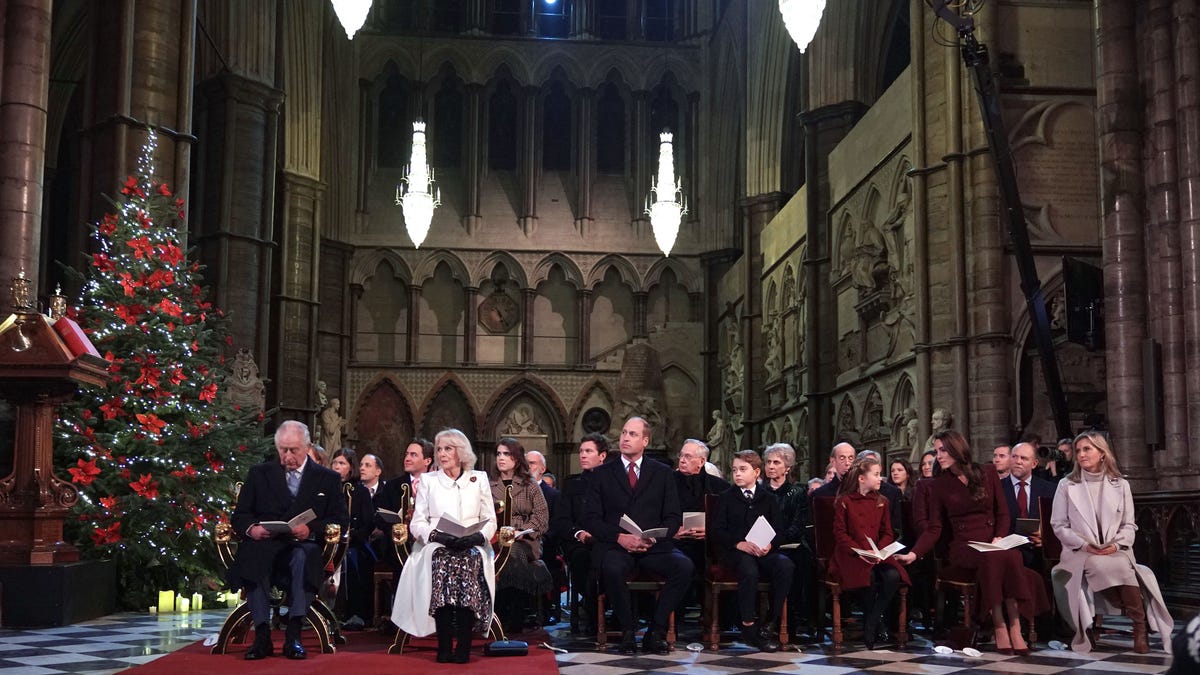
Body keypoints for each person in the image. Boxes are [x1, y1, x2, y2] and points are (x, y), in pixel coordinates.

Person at [894, 430, 1047, 655]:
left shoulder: (986, 472)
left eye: (943, 450)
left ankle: (1015, 625)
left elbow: (1003, 513)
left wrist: (1000, 537)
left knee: (1010, 554)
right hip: (964, 546)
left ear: (957, 448)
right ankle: (1000, 625)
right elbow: (934, 528)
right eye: (937, 451)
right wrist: (914, 554)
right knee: (998, 557)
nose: (939, 456)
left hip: (993, 542)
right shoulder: (939, 485)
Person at [227, 421, 349, 661]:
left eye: (293, 450)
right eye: (283, 450)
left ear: (307, 447)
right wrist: (252, 529)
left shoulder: (327, 478)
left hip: (303, 544)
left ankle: (294, 634)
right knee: (253, 555)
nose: (287, 455)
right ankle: (262, 635)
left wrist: (311, 528)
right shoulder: (259, 473)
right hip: (265, 542)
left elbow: (340, 520)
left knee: (303, 558)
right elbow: (240, 515)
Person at [1049, 431, 1173, 654]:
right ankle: (1138, 622)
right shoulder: (1066, 485)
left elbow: (1129, 525)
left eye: (1087, 449)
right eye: (1078, 450)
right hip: (1080, 552)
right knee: (1101, 564)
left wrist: (1115, 546)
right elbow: (1058, 525)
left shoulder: (1120, 484)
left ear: (1102, 453)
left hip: (1116, 549)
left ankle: (1139, 628)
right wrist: (1085, 545)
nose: (1081, 454)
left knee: (1122, 564)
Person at [582, 417, 693, 655]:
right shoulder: (601, 474)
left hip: (653, 546)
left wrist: (654, 537)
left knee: (684, 567)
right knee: (611, 568)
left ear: (645, 440)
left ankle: (655, 630)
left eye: (632, 434)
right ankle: (628, 632)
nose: (625, 438)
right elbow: (591, 518)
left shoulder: (663, 473)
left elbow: (673, 516)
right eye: (623, 433)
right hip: (616, 546)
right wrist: (620, 538)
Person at [391, 429, 497, 664]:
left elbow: (490, 520)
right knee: (443, 562)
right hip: (437, 544)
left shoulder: (478, 479)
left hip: (472, 544)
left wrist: (477, 537)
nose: (442, 453)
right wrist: (436, 535)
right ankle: (445, 644)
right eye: (439, 449)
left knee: (468, 561)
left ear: (461, 452)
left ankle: (464, 647)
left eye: (448, 448)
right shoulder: (428, 481)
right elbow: (418, 522)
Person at [709, 450, 794, 652]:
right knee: (748, 569)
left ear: (756, 472)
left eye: (742, 469)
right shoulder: (726, 497)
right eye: (734, 470)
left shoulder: (768, 498)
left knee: (785, 564)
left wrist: (770, 545)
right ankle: (748, 624)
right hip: (736, 552)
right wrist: (739, 543)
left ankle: (770, 622)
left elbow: (780, 531)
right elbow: (716, 530)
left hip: (763, 551)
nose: (737, 474)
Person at [830, 455, 910, 649]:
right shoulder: (845, 501)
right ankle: (872, 624)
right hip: (852, 554)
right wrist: (861, 551)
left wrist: (879, 549)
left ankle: (873, 619)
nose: (880, 479)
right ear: (861, 478)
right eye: (876, 474)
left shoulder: (882, 501)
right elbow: (840, 534)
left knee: (892, 575)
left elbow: (887, 532)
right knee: (869, 578)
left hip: (876, 553)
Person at [489, 437, 552, 633]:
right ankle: (492, 614)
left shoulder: (530, 485)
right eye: (499, 454)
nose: (501, 458)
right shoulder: (488, 484)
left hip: (525, 539)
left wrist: (519, 530)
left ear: (516, 458)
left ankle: (513, 615)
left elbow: (542, 519)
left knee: (513, 553)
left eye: (506, 454)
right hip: (493, 538)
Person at [553, 432, 608, 636]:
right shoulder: (572, 484)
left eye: (588, 451)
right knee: (583, 559)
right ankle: (593, 614)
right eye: (581, 451)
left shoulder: (613, 483)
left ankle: (611, 610)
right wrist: (579, 533)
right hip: (579, 542)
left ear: (602, 455)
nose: (583, 455)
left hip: (606, 540)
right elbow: (561, 521)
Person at [330, 448, 375, 631]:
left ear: (350, 468)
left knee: (353, 561)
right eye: (335, 462)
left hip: (354, 543)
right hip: (329, 541)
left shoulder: (360, 491)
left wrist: (351, 537)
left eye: (342, 463)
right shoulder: (327, 488)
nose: (337, 467)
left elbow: (368, 523)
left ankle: (355, 613)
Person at [673, 439, 729, 573]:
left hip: (707, 544)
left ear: (702, 461)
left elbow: (729, 520)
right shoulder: (666, 481)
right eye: (681, 455)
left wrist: (709, 531)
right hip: (675, 542)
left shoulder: (720, 487)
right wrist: (673, 530)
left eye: (688, 456)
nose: (682, 460)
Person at [1003, 442, 1055, 569]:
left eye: (1024, 458)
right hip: (1007, 552)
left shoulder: (1049, 489)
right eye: (1014, 457)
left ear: (1034, 464)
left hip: (1039, 554)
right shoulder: (998, 488)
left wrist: (1045, 537)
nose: (1018, 461)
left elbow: (1057, 521)